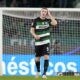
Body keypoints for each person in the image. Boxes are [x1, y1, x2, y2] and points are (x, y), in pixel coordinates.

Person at [30, 8, 57, 78]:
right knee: (37, 59)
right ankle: (38, 71)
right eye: (42, 11)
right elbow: (31, 30)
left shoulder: (48, 21)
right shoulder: (36, 20)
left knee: (46, 56)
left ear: (46, 13)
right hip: (38, 43)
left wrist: (50, 14)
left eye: (45, 11)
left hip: (46, 42)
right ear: (40, 12)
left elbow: (55, 23)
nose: (43, 12)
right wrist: (35, 35)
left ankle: (44, 73)